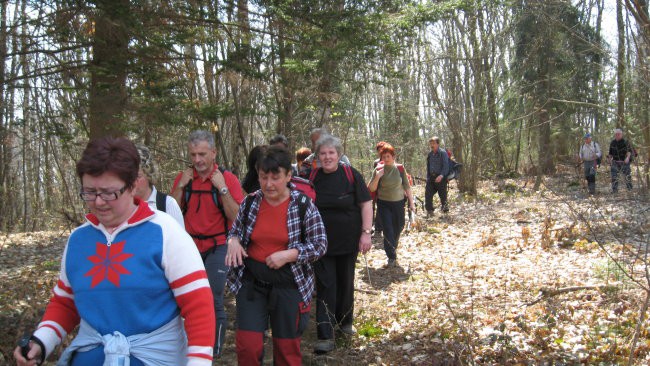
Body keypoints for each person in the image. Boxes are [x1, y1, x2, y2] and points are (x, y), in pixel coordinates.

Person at [14, 137, 215, 366]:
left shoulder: (166, 233)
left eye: (108, 193)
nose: (99, 202)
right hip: (91, 355)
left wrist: (198, 362)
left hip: (154, 358)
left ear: (132, 186)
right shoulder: (79, 239)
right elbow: (65, 302)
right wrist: (40, 343)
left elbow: (199, 306)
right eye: (90, 192)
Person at [225, 145, 327, 365]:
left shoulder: (303, 205)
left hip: (289, 285)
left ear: (288, 176)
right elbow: (235, 231)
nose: (269, 184)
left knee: (286, 350)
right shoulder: (251, 202)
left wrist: (291, 254)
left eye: (275, 177)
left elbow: (320, 245)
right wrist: (232, 241)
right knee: (248, 347)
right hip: (252, 284)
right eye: (263, 177)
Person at [171, 130, 245, 357]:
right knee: (184, 298)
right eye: (193, 155)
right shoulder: (184, 178)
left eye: (202, 154)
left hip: (218, 246)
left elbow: (237, 215)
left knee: (213, 297)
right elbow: (170, 213)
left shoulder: (227, 178)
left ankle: (213, 352)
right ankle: (187, 346)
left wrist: (222, 187)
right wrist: (181, 187)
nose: (197, 160)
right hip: (189, 247)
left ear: (213, 153)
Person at [309, 134, 372, 354]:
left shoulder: (351, 174)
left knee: (346, 282)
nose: (327, 157)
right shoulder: (312, 177)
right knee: (326, 285)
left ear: (338, 154)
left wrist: (366, 233)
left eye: (331, 153)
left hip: (348, 240)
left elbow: (366, 204)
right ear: (317, 157)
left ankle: (345, 322)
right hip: (320, 243)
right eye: (323, 154)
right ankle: (325, 335)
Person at [368, 144, 415, 267]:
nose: (386, 159)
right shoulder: (378, 170)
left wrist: (411, 203)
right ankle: (391, 256)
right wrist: (378, 176)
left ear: (393, 157)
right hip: (384, 204)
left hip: (399, 203)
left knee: (399, 227)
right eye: (384, 157)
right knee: (388, 229)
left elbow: (407, 186)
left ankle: (393, 247)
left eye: (388, 156)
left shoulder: (399, 168)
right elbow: (371, 188)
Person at [133, 144, 185, 227]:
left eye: (137, 176)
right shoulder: (122, 206)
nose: (131, 181)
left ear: (149, 175)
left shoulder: (167, 205)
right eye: (127, 176)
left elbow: (180, 239)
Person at [425, 136, 450, 215]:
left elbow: (446, 166)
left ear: (438, 144)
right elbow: (428, 166)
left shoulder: (443, 153)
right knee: (428, 194)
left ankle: (445, 212)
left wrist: (441, 176)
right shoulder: (430, 154)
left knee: (443, 196)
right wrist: (428, 177)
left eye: (434, 143)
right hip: (431, 178)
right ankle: (430, 211)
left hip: (441, 178)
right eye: (431, 144)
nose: (432, 145)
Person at [607, 128, 633, 193]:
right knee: (614, 177)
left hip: (624, 162)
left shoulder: (626, 142)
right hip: (615, 162)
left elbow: (629, 151)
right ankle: (615, 190)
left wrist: (627, 158)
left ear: (621, 134)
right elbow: (610, 153)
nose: (617, 135)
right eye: (616, 134)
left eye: (619, 134)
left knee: (627, 176)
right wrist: (609, 159)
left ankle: (630, 189)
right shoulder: (612, 143)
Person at [371, 141, 388, 236]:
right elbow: (374, 174)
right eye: (379, 150)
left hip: (388, 188)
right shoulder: (376, 162)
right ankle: (376, 228)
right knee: (376, 206)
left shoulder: (390, 159)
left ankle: (383, 228)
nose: (380, 151)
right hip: (377, 186)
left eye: (382, 149)